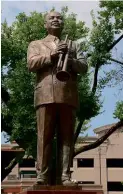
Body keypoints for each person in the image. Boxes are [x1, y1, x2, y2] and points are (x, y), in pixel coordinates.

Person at [27, 11, 88, 185]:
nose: (56, 20)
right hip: (45, 94)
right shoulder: (36, 44)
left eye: (59, 18)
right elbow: (31, 64)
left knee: (67, 138)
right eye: (51, 18)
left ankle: (65, 175)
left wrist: (69, 60)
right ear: (45, 24)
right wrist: (52, 56)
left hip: (67, 95)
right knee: (43, 137)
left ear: (63, 23)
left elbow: (83, 67)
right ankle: (42, 176)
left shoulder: (74, 45)